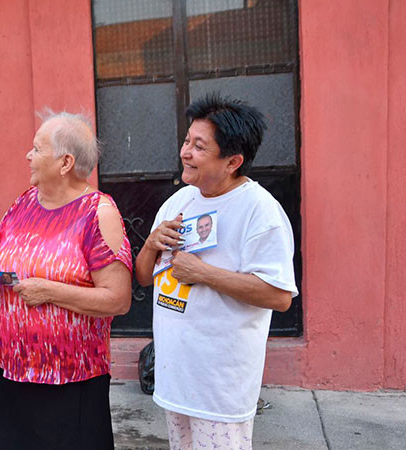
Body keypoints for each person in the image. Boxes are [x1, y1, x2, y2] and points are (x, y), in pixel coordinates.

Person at [135, 94, 298, 450]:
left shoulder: (260, 211)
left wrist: (203, 273)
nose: (185, 152)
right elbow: (144, 277)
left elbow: (279, 296)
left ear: (232, 162)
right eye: (186, 141)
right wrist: (151, 244)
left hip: (219, 386)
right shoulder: (179, 201)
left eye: (199, 146)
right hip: (175, 377)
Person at [0, 111, 133, 449]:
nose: (28, 155)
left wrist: (50, 292)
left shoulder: (98, 213)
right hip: (9, 369)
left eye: (37, 149)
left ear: (65, 162)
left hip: (69, 380)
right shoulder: (24, 203)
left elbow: (118, 299)